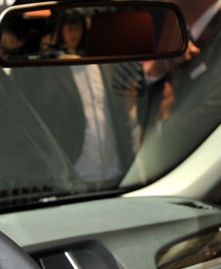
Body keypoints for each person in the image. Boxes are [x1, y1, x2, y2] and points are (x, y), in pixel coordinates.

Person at [130, 0, 221, 183]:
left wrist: (160, 130)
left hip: (217, 179)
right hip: (183, 175)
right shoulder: (181, 35)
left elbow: (213, 117)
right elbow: (144, 116)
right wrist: (158, 69)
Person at [12, 10, 135, 189]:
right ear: (59, 30)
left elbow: (118, 113)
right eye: (69, 28)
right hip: (75, 174)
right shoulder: (49, 71)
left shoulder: (102, 63)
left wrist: (130, 157)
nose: (74, 34)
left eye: (77, 28)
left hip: (116, 171)